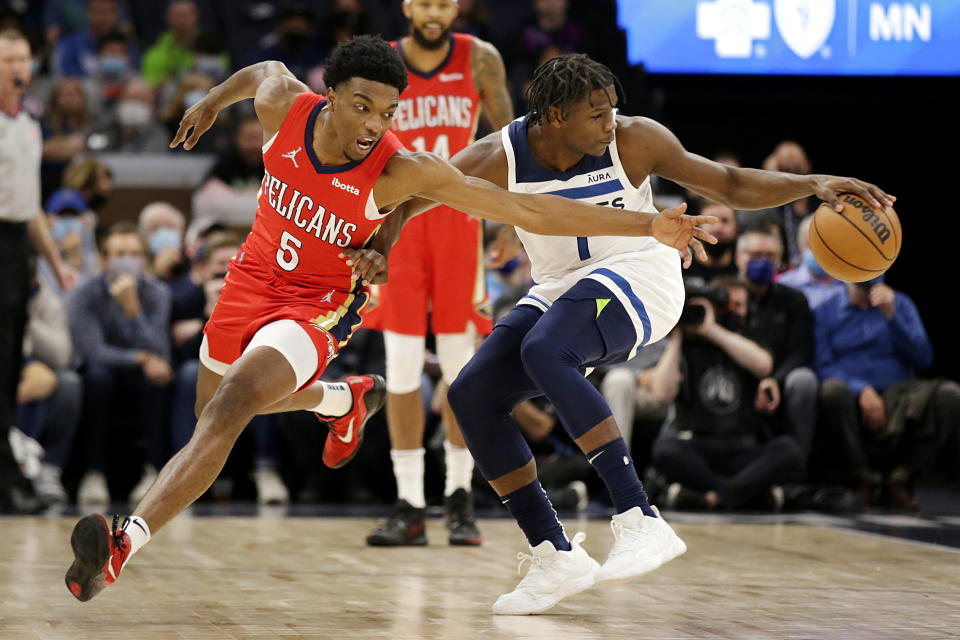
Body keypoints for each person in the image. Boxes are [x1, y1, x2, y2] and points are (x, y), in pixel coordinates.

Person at [64, 35, 715, 602]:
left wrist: (645, 224)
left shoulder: (403, 168)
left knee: (229, 406)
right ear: (328, 96)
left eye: (388, 111)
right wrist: (212, 99)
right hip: (248, 283)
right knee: (216, 410)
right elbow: (262, 69)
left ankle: (125, 542)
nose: (376, 123)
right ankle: (343, 400)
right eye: (362, 106)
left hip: (321, 301)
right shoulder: (283, 107)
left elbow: (529, 210)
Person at [376, 54, 893, 614]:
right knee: (471, 393)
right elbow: (413, 195)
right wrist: (379, 247)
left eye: (612, 110)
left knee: (546, 347)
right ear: (554, 115)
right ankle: (553, 554)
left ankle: (638, 516)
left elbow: (730, 182)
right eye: (596, 114)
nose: (610, 123)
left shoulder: (635, 140)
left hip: (641, 274)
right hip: (559, 288)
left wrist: (811, 184)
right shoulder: (498, 156)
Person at [365, 0, 517, 548]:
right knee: (401, 366)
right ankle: (409, 503)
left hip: (458, 221)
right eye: (425, 3)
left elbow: (511, 140)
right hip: (398, 221)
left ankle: (459, 496)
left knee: (461, 369)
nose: (434, 12)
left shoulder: (480, 59)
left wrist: (515, 220)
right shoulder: (380, 61)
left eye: (444, 3)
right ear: (408, 6)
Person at [1, 29, 76, 514]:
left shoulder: (29, 123)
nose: (17, 65)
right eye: (8, 57)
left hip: (14, 251)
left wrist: (56, 263)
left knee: (9, 362)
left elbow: (30, 208)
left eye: (23, 57)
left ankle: (7, 474)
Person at [649, 277, 803, 512]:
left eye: (739, 305)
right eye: (726, 304)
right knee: (665, 448)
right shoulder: (689, 344)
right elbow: (661, 393)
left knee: (789, 450)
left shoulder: (748, 338)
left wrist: (712, 330)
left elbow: (763, 365)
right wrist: (678, 334)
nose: (734, 311)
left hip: (742, 447)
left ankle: (713, 497)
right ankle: (740, 494)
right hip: (699, 446)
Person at [814, 277, 960, 510]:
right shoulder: (825, 310)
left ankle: (900, 478)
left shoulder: (901, 305)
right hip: (849, 396)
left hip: (900, 394)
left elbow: (923, 358)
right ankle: (861, 480)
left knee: (950, 396)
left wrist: (892, 316)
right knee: (831, 391)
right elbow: (822, 364)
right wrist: (860, 389)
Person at [69, 222, 173, 506]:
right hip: (102, 373)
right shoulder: (85, 293)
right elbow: (92, 352)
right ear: (105, 260)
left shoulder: (157, 293)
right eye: (120, 253)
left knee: (156, 379)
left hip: (141, 377)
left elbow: (160, 351)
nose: (128, 260)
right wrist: (139, 358)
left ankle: (154, 471)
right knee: (98, 378)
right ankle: (94, 472)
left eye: (135, 253)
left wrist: (133, 310)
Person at [735, 226, 819, 470]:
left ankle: (797, 471)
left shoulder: (794, 299)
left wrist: (774, 380)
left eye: (770, 256)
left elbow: (801, 350)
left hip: (778, 380)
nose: (763, 262)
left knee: (804, 380)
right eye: (755, 255)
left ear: (780, 260)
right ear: (739, 258)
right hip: (736, 377)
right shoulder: (726, 295)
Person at [777, 214, 845, 310]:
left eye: (825, 246)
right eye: (811, 246)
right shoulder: (784, 286)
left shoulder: (852, 286)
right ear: (800, 247)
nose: (819, 253)